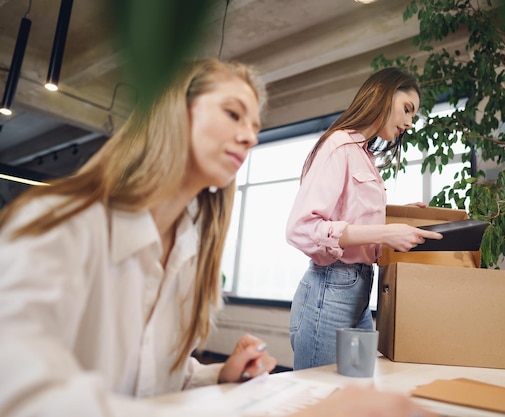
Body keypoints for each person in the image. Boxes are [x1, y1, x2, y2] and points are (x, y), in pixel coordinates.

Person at [0, 58, 435, 417]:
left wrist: (217, 376)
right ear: (175, 111)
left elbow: (154, 377)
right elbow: (18, 392)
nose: (250, 135)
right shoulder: (60, 223)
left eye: (254, 124)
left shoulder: (190, 248)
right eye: (233, 113)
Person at [286, 67, 444, 370]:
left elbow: (353, 218)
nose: (410, 123)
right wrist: (385, 233)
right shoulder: (338, 145)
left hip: (360, 290)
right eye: (407, 110)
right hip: (331, 289)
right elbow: (301, 228)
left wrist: (398, 216)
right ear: (382, 95)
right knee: (320, 401)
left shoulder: (363, 156)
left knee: (353, 394)